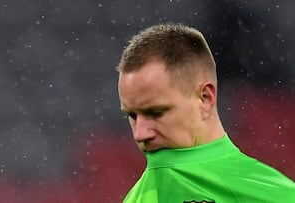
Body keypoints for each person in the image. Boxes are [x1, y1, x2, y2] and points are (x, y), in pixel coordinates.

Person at [116, 23, 295, 202]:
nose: (140, 134)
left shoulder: (271, 194)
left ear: (205, 98)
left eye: (156, 113)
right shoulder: (134, 198)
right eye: (132, 115)